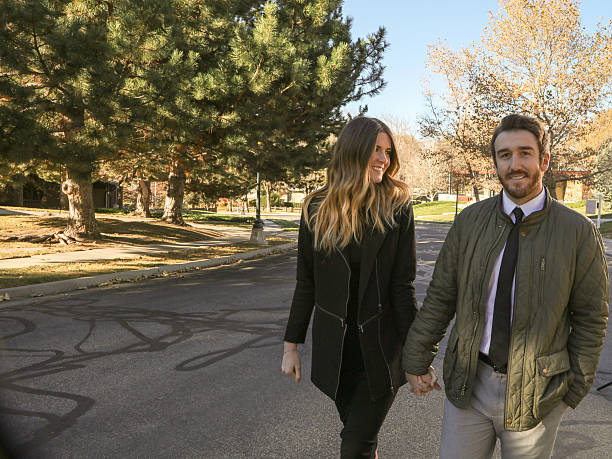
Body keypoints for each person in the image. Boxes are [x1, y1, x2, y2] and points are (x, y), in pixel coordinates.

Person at [402, 114, 609, 458]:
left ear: (544, 160)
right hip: (470, 383)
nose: (515, 164)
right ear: (495, 162)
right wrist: (416, 358)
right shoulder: (470, 221)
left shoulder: (578, 232)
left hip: (537, 393)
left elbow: (591, 316)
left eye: (525, 153)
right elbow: (441, 296)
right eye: (505, 155)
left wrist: (574, 389)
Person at [281, 116, 430, 458]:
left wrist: (418, 352)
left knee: (355, 446)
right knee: (360, 439)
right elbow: (306, 283)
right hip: (337, 353)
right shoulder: (316, 209)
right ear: (353, 151)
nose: (384, 159)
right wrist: (292, 346)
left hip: (380, 351)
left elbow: (402, 287)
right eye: (375, 150)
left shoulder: (396, 205)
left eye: (387, 152)